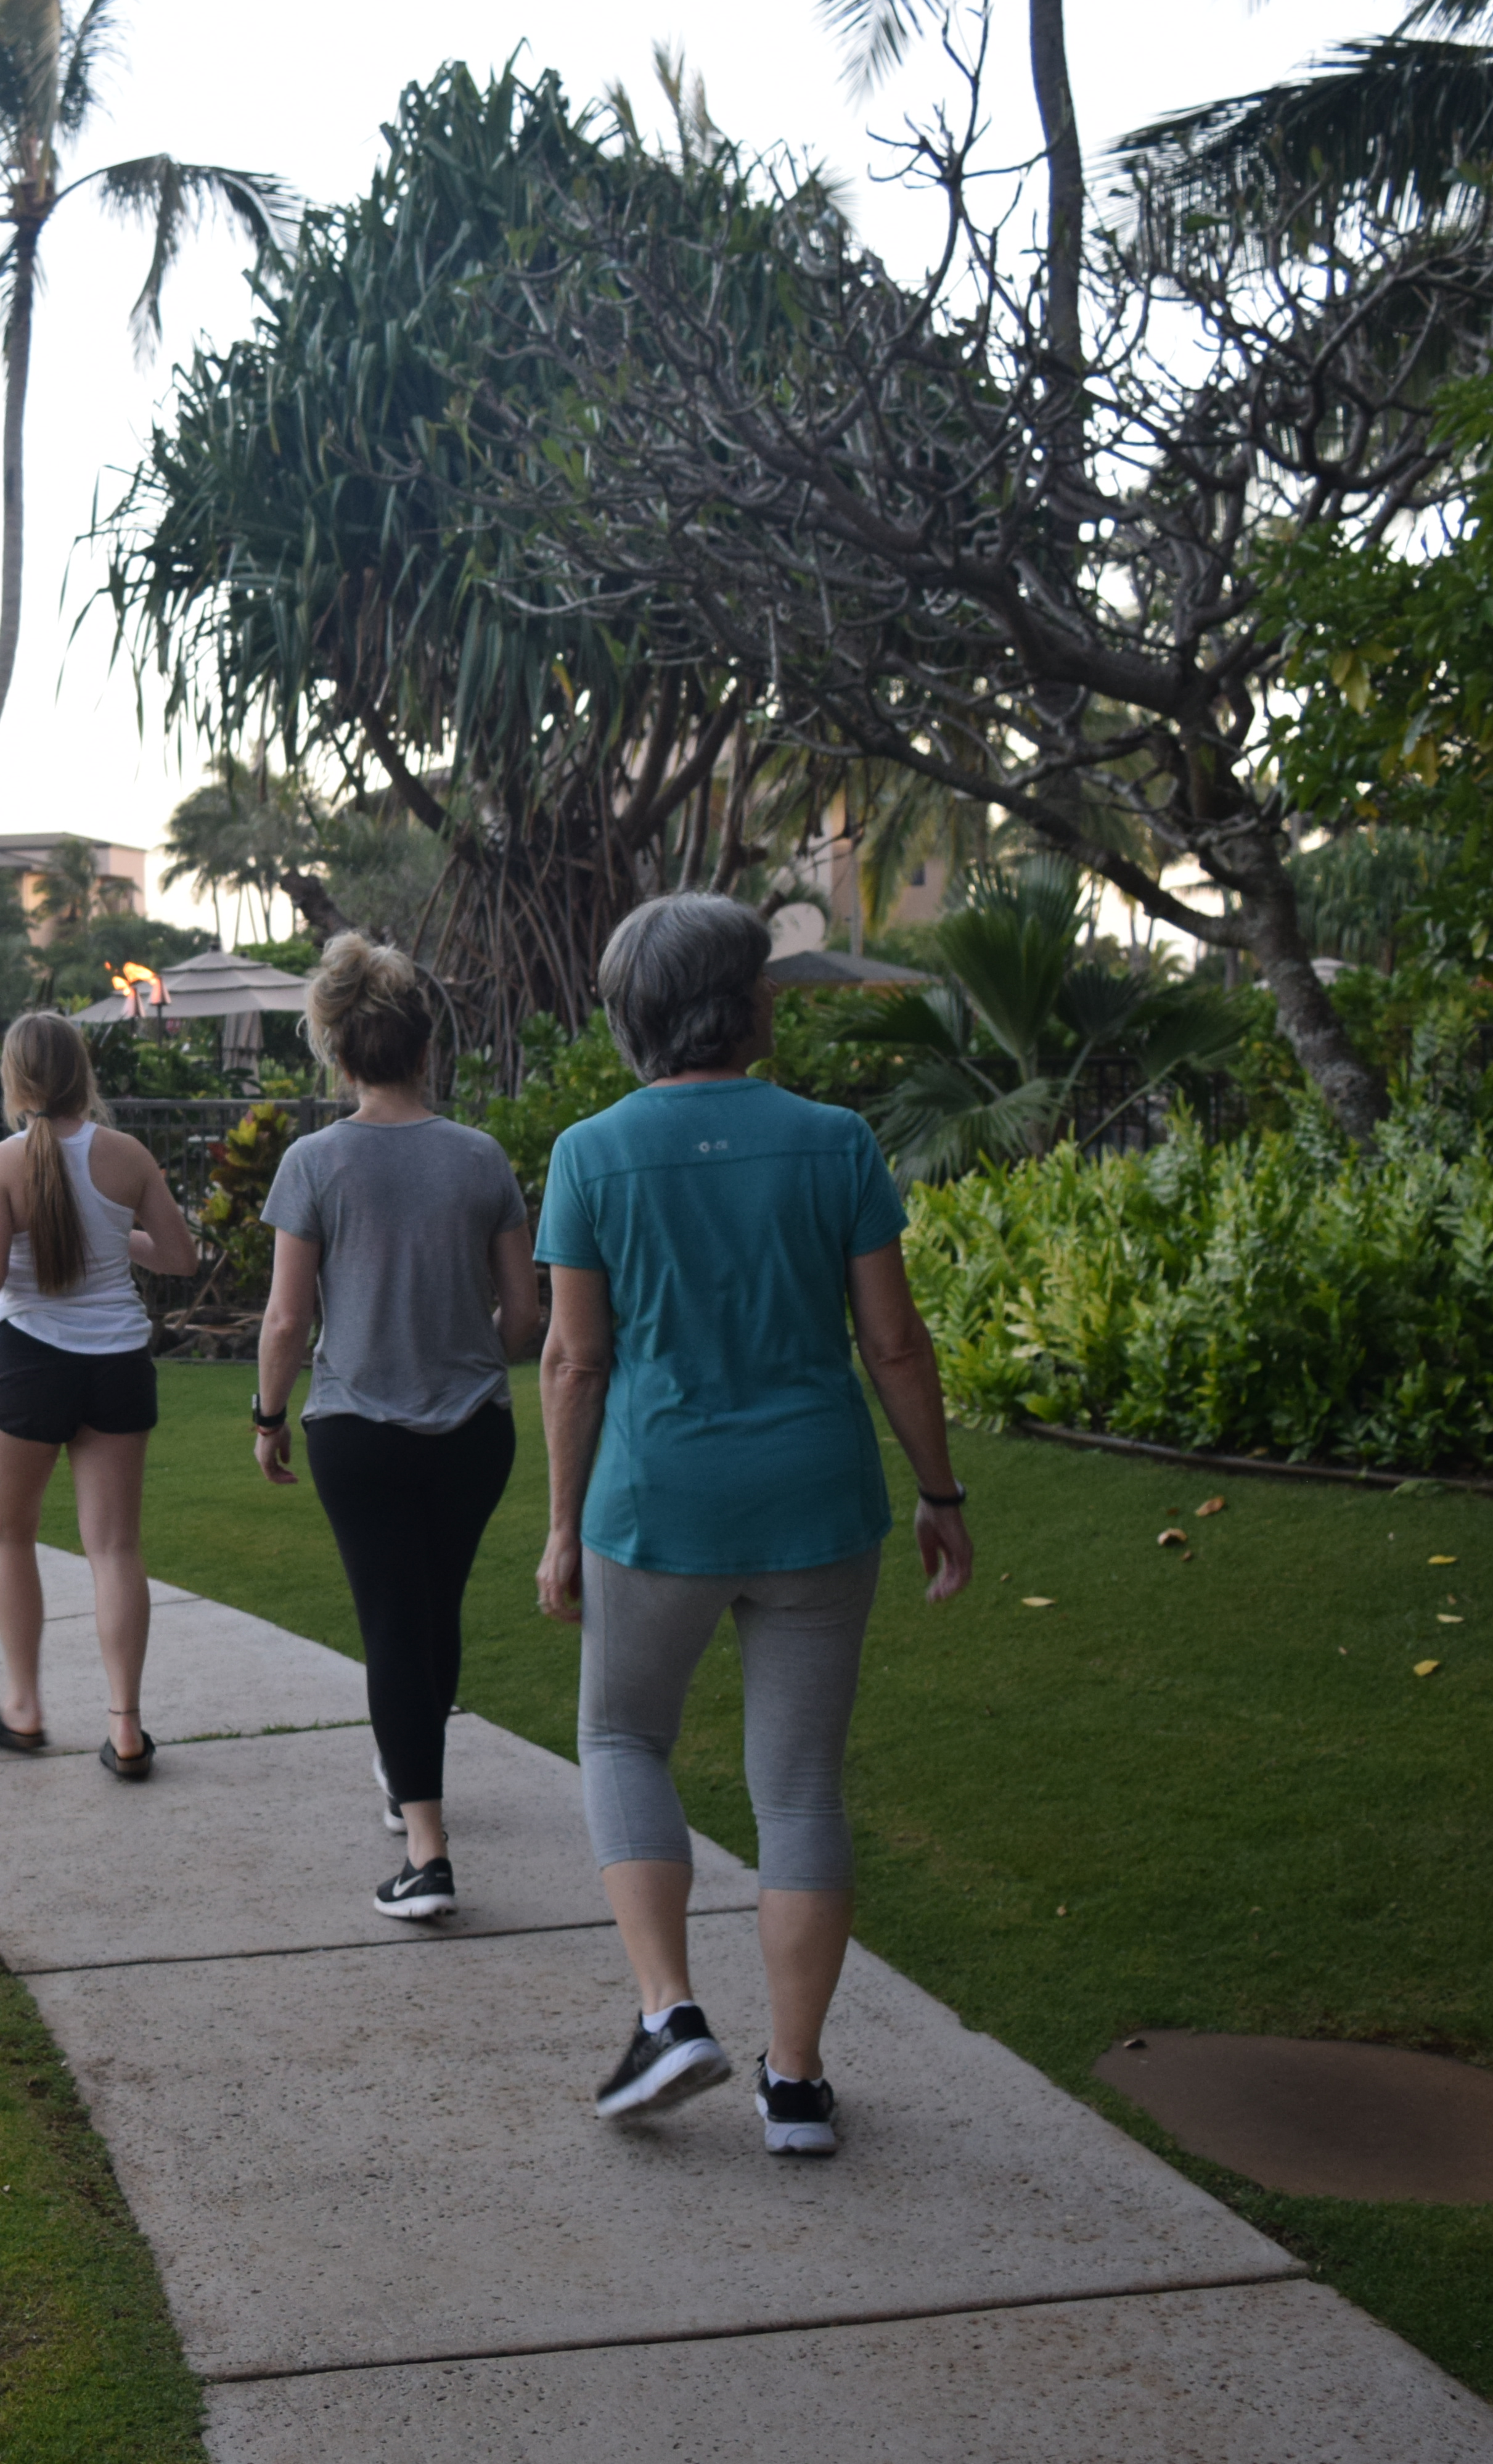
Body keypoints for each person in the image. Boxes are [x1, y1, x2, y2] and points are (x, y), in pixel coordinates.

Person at [532, 893, 976, 2152]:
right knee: (799, 1790)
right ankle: (795, 2086)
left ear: (635, 1014)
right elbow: (894, 1341)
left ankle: (670, 2013)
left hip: (656, 1502)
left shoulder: (591, 1153)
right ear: (741, 1001)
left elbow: (574, 1360)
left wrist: (562, 1525)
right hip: (816, 1502)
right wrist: (941, 1491)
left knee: (622, 1735)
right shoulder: (835, 1143)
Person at [252, 935, 537, 1921]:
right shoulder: (480, 1157)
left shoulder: (314, 1161)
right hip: (474, 1430)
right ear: (424, 1049)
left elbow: (287, 1318)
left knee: (391, 1623)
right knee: (431, 1613)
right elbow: (525, 1316)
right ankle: (409, 1774)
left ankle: (427, 1852)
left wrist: (268, 1416)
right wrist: (463, 1354)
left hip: (358, 1429)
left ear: (340, 1055)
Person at [0, 1010, 198, 1780]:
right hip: (118, 1364)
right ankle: (126, 1729)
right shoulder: (126, 1156)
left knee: (10, 1538)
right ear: (80, 1074)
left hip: (31, 1364)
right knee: (116, 1548)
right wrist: (113, 1234)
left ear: (15, 1078)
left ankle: (24, 1708)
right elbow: (181, 1256)